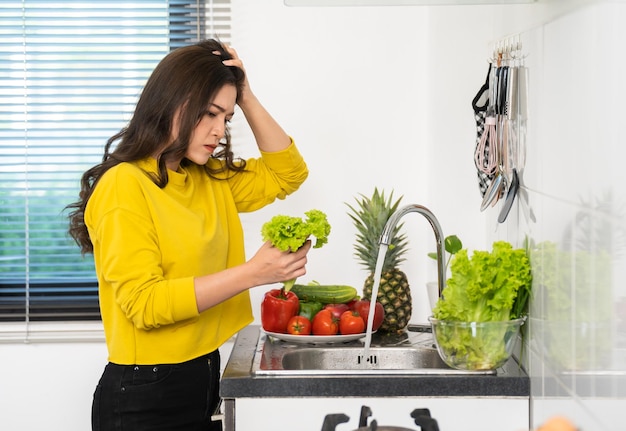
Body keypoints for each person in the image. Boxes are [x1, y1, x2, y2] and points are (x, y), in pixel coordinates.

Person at [66, 39, 311, 431]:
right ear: (171, 103)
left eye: (226, 118)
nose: (219, 130)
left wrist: (244, 94)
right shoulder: (124, 186)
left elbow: (289, 173)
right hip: (143, 394)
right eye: (209, 114)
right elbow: (144, 304)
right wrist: (254, 273)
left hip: (205, 373)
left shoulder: (207, 177)